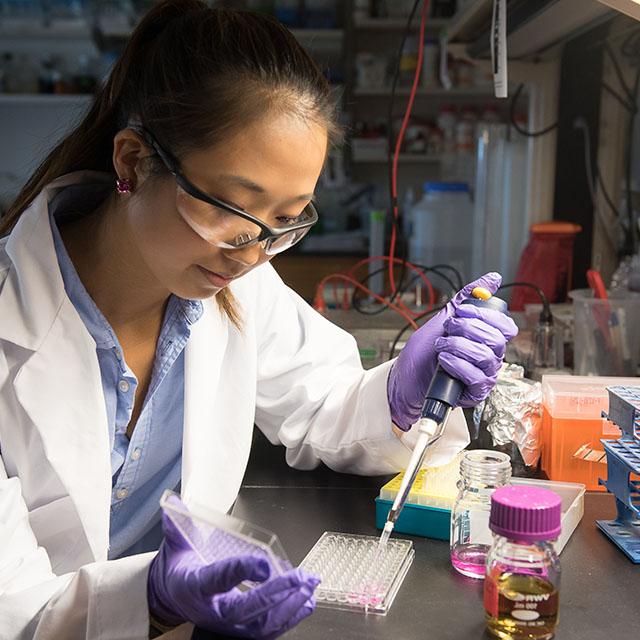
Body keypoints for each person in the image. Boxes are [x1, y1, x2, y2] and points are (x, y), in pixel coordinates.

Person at [0, 2, 518, 638]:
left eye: (287, 220)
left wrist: (401, 394)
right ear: (133, 162)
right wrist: (152, 596)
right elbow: (13, 606)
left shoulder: (238, 282)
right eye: (232, 210)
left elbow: (322, 406)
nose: (251, 253)